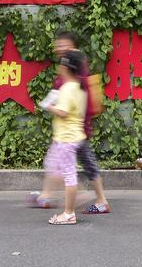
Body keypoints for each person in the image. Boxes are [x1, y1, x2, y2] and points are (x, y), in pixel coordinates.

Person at [31, 32, 111, 214]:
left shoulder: (74, 66)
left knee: (68, 166)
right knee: (63, 163)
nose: (58, 49)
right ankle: (47, 195)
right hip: (70, 129)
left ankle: (87, 201)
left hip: (73, 129)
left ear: (72, 46)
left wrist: (51, 107)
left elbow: (81, 98)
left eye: (63, 45)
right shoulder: (69, 66)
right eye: (57, 45)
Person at [41, 50, 87, 225]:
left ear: (66, 67)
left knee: (68, 174)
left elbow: (63, 112)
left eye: (61, 64)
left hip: (66, 139)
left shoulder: (68, 88)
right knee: (52, 166)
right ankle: (73, 200)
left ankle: (69, 213)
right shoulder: (78, 87)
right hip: (68, 137)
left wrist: (49, 106)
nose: (58, 67)